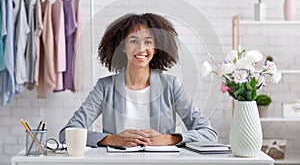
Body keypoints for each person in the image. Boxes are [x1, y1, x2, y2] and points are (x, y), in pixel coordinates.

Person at [59, 13, 218, 148]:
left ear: (155, 48)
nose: (141, 48)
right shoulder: (105, 87)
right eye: (133, 41)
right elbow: (67, 134)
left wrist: (169, 138)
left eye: (148, 42)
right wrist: (113, 139)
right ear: (123, 46)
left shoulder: (171, 86)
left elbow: (209, 134)